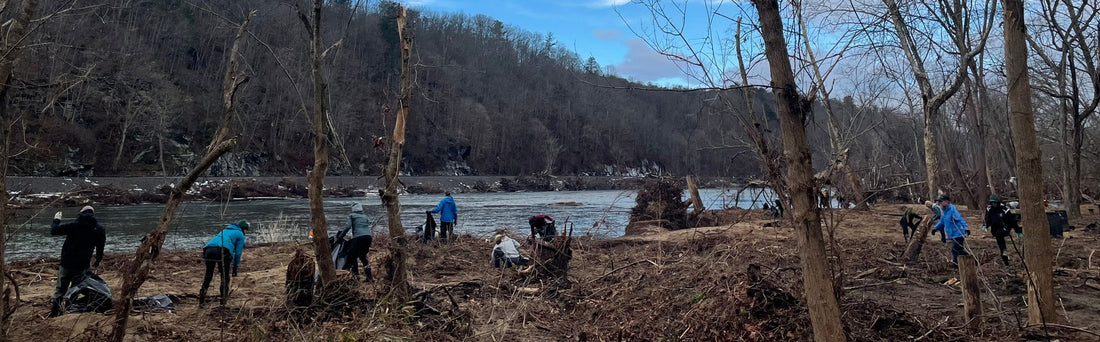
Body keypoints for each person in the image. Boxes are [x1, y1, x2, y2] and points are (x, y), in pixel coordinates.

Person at [48, 206, 106, 317]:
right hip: (82, 265)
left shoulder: (73, 226)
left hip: (66, 263)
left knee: (60, 290)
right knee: (75, 289)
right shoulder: (99, 229)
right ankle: (68, 311)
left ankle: (54, 313)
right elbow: (100, 248)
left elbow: (54, 231)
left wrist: (56, 219)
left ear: (80, 213)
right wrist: (97, 262)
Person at [200, 220, 248, 306]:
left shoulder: (225, 230)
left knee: (208, 275)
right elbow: (238, 253)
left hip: (208, 249)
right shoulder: (240, 234)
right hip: (223, 251)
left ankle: (201, 300)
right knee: (225, 276)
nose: (246, 232)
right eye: (246, 230)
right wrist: (235, 269)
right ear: (244, 229)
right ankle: (223, 301)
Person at [982, 194, 1022, 266]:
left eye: (995, 203)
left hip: (1005, 228)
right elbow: (987, 219)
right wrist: (985, 225)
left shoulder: (1004, 209)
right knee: (999, 238)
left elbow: (1012, 221)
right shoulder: (989, 209)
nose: (994, 204)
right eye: (992, 203)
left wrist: (1018, 231)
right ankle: (1004, 254)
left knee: (999, 235)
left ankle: (1004, 253)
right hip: (995, 229)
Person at [932, 195, 970, 266]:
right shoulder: (945, 211)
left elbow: (960, 220)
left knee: (955, 249)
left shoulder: (952, 210)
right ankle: (971, 260)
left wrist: (966, 228)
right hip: (952, 234)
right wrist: (935, 228)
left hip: (958, 233)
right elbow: (942, 221)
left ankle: (956, 264)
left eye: (941, 201)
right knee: (960, 250)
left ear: (946, 202)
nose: (940, 203)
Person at [344, 203, 373, 282]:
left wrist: (341, 236)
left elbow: (347, 227)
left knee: (352, 255)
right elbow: (369, 224)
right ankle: (369, 277)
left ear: (353, 209)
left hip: (359, 237)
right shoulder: (365, 216)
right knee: (363, 257)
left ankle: (356, 276)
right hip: (368, 237)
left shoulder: (352, 216)